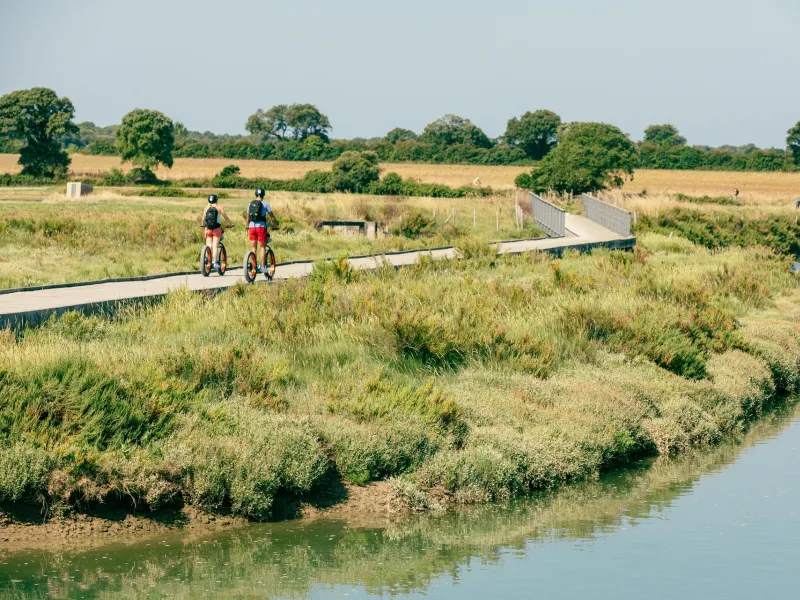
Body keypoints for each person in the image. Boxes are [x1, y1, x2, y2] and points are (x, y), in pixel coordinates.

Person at [246, 188, 278, 272]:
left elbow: (248, 217)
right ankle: (262, 267)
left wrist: (247, 226)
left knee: (253, 247)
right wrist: (275, 224)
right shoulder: (266, 204)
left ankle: (254, 267)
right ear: (263, 195)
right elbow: (272, 217)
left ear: (255, 195)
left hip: (251, 227)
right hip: (261, 227)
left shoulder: (250, 204)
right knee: (262, 247)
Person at [202, 194, 233, 268]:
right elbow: (226, 217)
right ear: (216, 200)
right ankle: (215, 263)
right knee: (215, 246)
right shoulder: (219, 207)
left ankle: (207, 262)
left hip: (208, 229)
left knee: (209, 246)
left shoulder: (206, 208)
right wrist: (231, 224)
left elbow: (203, 219)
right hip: (217, 229)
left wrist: (203, 226)